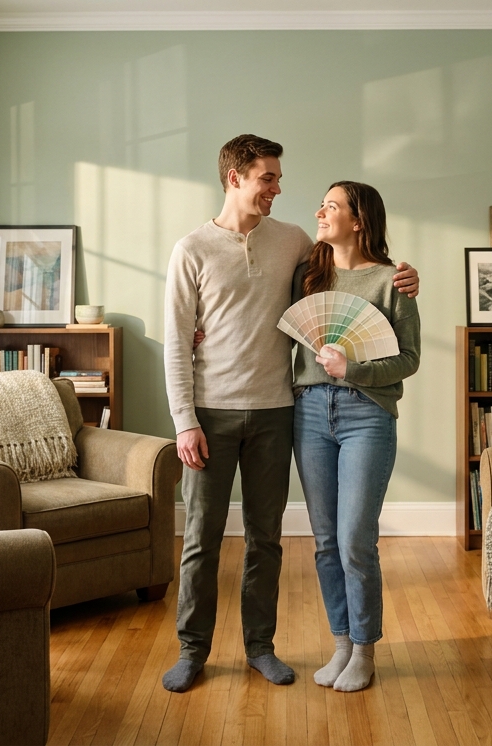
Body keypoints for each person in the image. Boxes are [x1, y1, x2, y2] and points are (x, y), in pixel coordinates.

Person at [161, 136, 419, 694]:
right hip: (210, 413)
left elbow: (353, 281)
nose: (279, 189)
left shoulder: (297, 244)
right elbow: (177, 343)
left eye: (278, 178)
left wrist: (407, 278)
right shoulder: (192, 249)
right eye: (268, 179)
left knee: (266, 538)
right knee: (202, 537)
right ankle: (192, 650)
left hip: (281, 409)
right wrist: (184, 420)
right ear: (235, 177)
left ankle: (261, 647)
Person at [291, 181, 420, 692]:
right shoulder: (308, 276)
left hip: (367, 415)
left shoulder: (394, 282)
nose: (320, 211)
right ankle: (340, 643)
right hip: (307, 413)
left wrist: (353, 370)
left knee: (354, 540)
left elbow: (408, 358)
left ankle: (365, 650)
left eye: (332, 205)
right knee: (325, 541)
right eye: (322, 204)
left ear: (359, 219)